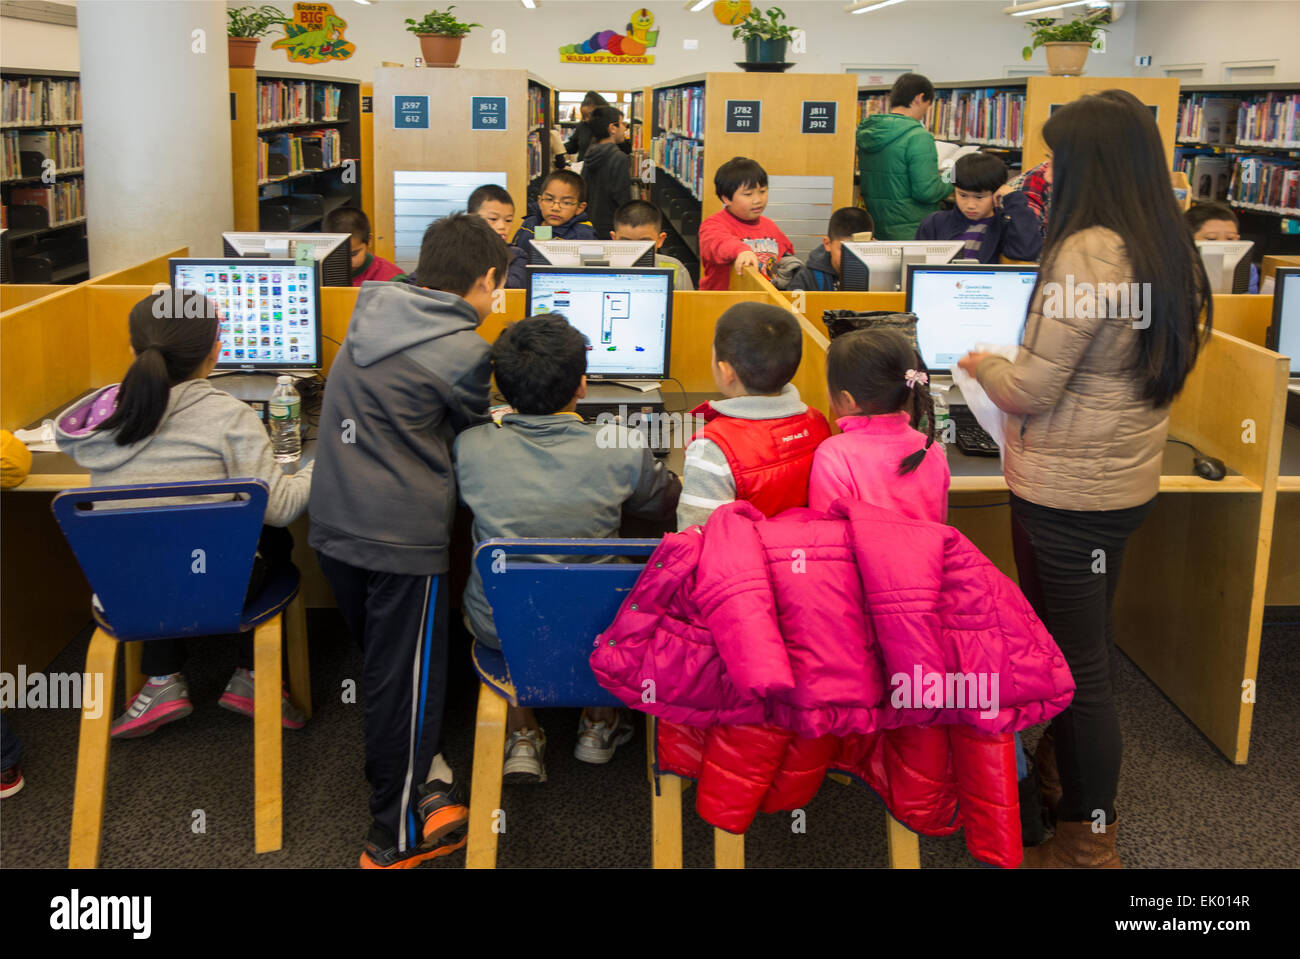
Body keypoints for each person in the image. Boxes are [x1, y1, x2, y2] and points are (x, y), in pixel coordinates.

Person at [957, 89, 1211, 869]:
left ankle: (1086, 839)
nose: (1047, 171)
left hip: (1067, 492)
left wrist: (982, 362)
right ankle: (1065, 785)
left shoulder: (1087, 250)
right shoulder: (1166, 241)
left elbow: (1031, 390)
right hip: (1120, 481)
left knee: (1076, 671)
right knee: (1082, 650)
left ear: (1090, 164)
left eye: (1059, 158)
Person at [309, 214, 505, 869]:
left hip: (335, 523)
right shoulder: (465, 352)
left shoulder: (374, 306)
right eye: (495, 290)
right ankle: (390, 838)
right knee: (407, 684)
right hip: (400, 540)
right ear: (484, 281)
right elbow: (473, 437)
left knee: (384, 668)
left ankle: (420, 777)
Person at [54, 289, 311, 738]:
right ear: (217, 351)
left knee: (154, 532)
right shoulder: (228, 416)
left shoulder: (100, 419)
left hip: (123, 590)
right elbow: (283, 508)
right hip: (219, 587)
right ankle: (253, 675)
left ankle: (160, 680)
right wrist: (316, 466)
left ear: (133, 350)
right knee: (270, 533)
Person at [455, 315, 681, 782]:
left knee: (509, 606)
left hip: (501, 627)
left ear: (500, 387)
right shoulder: (620, 444)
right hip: (600, 627)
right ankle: (599, 724)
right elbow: (663, 504)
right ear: (581, 386)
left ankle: (522, 734)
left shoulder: (470, 447)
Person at [677, 302, 830, 530]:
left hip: (741, 562)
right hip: (799, 558)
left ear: (727, 372)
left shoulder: (712, 447)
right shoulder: (817, 423)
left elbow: (695, 537)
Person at [808, 328, 949, 521]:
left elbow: (827, 532)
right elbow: (939, 522)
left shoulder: (834, 454)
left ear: (848, 400)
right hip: (928, 551)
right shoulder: (930, 448)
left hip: (861, 552)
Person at [857, 72, 951, 240]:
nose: (925, 112)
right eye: (927, 105)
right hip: (913, 231)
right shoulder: (918, 136)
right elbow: (926, 192)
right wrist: (951, 176)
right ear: (919, 98)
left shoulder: (871, 132)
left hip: (879, 228)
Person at [916, 152, 1043, 262]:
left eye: (979, 197)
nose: (970, 205)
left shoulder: (1004, 226)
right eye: (963, 195)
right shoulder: (934, 223)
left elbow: (1026, 252)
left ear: (997, 193)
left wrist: (1013, 200)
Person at [698, 157, 794, 291]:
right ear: (726, 198)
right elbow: (720, 243)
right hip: (723, 304)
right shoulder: (713, 225)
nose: (758, 200)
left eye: (762, 191)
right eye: (748, 194)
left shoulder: (770, 226)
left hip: (763, 302)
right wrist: (742, 251)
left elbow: (786, 254)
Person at [611, 199, 694, 291]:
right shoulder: (598, 267)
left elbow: (687, 304)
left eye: (644, 243)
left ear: (660, 240)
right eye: (626, 242)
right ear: (614, 238)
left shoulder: (676, 269)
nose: (635, 253)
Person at [786, 207, 874, 292]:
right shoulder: (807, 278)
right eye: (845, 250)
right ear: (827, 244)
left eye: (862, 249)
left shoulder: (882, 276)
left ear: (874, 244)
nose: (853, 258)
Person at [510, 170, 596, 254]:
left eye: (566, 202)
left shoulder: (582, 236)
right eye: (549, 199)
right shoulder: (528, 224)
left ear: (580, 208)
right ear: (540, 201)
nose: (555, 208)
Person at [580, 105, 632, 240]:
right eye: (622, 124)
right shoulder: (619, 157)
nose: (625, 128)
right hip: (610, 228)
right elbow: (622, 199)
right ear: (612, 128)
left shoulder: (590, 152)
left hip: (589, 224)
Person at [1186, 202, 1259, 292]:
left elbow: (1249, 303)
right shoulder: (1175, 268)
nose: (1222, 245)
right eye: (1211, 239)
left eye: (1230, 238)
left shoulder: (1248, 270)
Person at [322, 207, 405, 285]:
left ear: (369, 241)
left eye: (353, 254)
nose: (347, 262)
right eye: (337, 255)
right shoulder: (315, 273)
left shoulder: (392, 280)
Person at [468, 183, 527, 288]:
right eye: (493, 219)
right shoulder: (457, 252)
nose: (502, 226)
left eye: (508, 220)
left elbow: (514, 287)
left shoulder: (516, 255)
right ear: (470, 219)